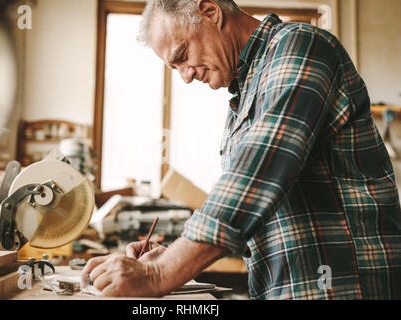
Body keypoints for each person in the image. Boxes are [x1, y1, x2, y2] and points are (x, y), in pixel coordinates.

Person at [81, 0, 401, 299]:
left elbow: (258, 173)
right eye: (174, 68)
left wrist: (159, 274)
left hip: (344, 287)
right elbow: (257, 217)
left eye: (182, 56)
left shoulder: (301, 45)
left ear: (210, 11)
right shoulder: (243, 98)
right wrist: (177, 256)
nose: (186, 76)